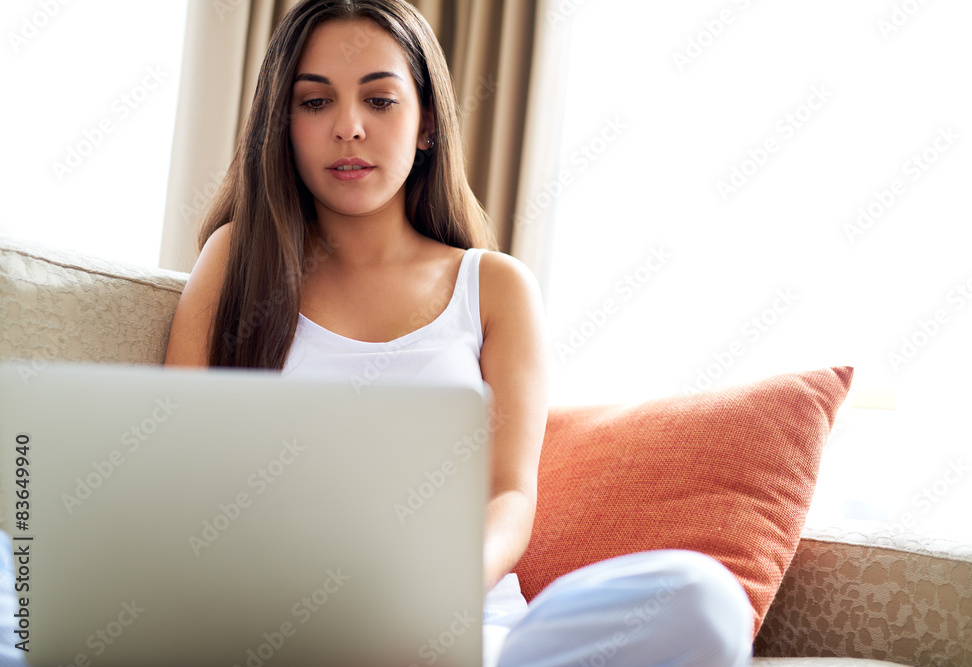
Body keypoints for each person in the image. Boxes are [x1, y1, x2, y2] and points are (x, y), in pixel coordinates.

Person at [162, 1, 754, 665]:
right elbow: (180, 472)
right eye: (315, 102)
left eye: (380, 101)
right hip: (282, 619)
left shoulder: (495, 288)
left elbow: (509, 494)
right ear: (283, 123)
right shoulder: (234, 259)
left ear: (426, 126)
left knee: (703, 597)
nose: (348, 128)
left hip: (466, 627)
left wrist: (430, 592)